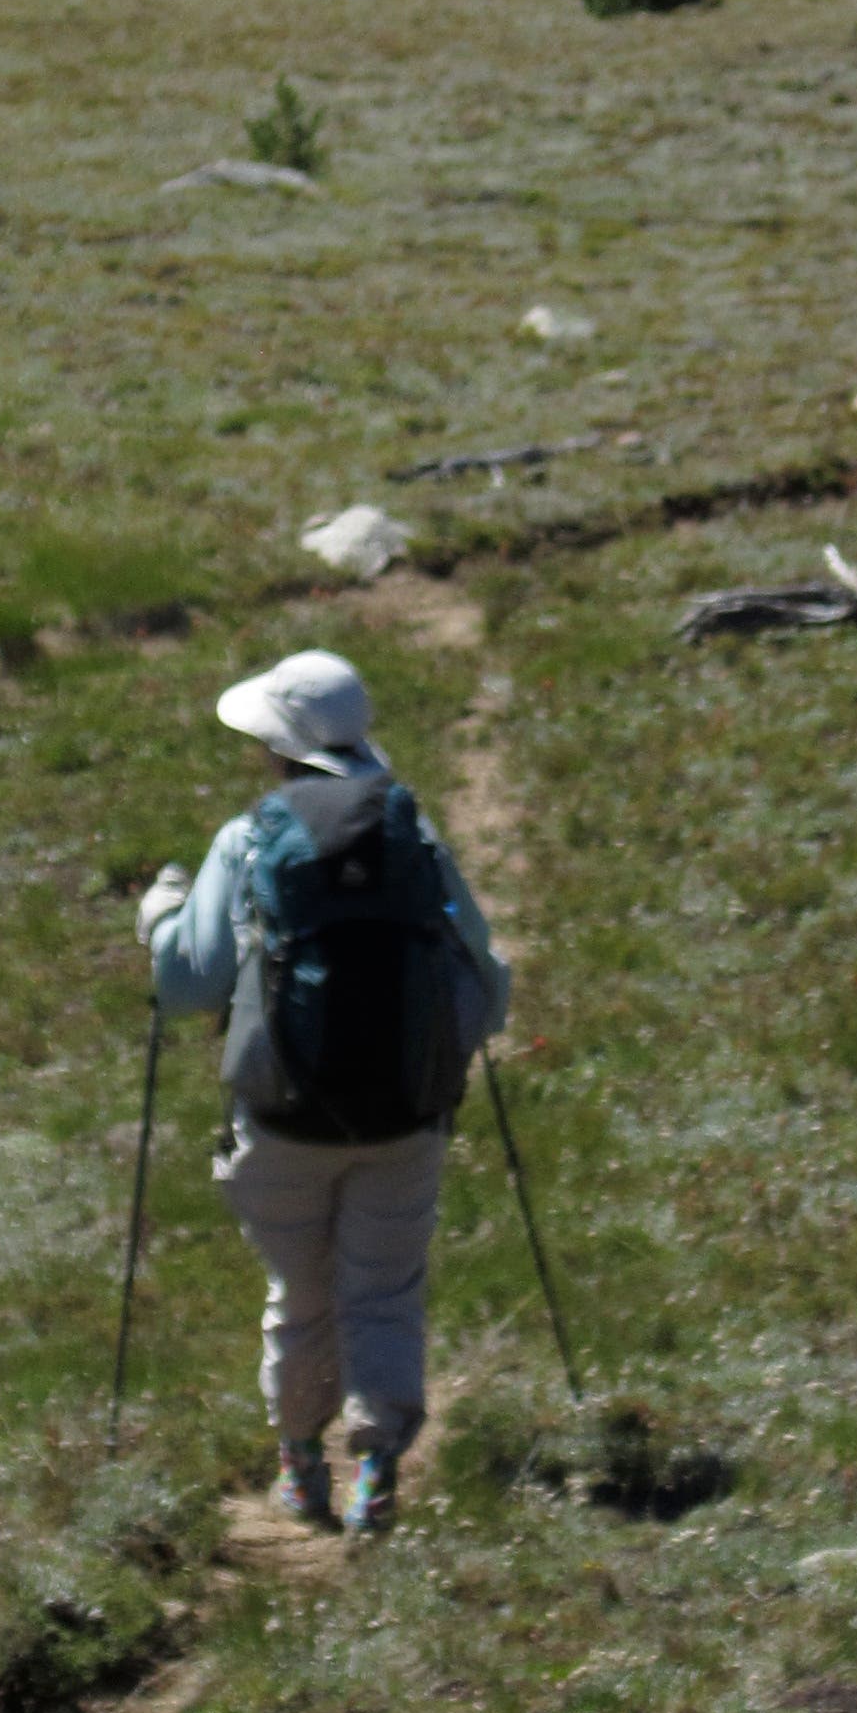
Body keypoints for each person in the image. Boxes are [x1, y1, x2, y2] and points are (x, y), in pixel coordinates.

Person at [140, 649, 507, 1539]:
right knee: (384, 1289)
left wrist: (159, 913)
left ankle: (304, 1471)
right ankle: (377, 1462)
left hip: (283, 1117)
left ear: (279, 744)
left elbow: (188, 984)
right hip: (407, 1118)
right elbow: (485, 989)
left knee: (300, 1288)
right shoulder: (412, 836)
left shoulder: (251, 838)